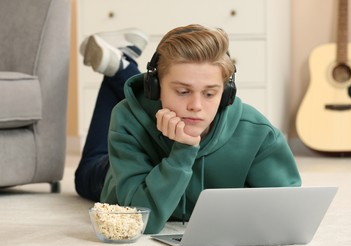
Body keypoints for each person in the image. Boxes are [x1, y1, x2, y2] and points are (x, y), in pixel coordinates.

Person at [75, 24, 302, 234]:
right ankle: (120, 64)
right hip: (113, 174)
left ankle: (121, 63)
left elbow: (290, 214)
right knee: (85, 174)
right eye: (183, 92)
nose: (196, 106)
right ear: (155, 88)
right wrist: (183, 151)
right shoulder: (128, 118)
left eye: (210, 93)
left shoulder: (257, 132)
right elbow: (141, 222)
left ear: (227, 92)